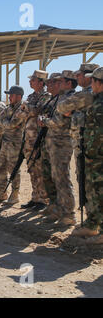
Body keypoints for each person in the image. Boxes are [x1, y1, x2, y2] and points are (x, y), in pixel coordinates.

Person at [71, 67, 103, 244]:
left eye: (93, 81)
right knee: (92, 191)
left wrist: (90, 154)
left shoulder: (100, 104)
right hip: (94, 155)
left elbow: (98, 134)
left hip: (97, 156)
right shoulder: (96, 101)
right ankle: (92, 224)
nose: (91, 84)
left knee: (99, 192)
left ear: (99, 83)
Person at [38, 72, 75, 226]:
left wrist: (44, 121)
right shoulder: (56, 99)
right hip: (52, 143)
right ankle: (56, 207)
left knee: (62, 178)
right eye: (50, 83)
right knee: (52, 177)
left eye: (55, 82)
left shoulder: (68, 98)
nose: (50, 85)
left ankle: (68, 214)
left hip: (62, 143)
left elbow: (59, 122)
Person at [0, 86, 28, 204]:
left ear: (18, 96)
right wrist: (8, 123)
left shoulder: (22, 108)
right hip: (5, 141)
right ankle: (2, 193)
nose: (9, 97)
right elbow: (0, 121)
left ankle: (14, 194)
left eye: (11, 95)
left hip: (15, 143)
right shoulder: (8, 108)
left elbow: (14, 123)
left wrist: (7, 123)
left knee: (13, 169)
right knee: (1, 167)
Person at [22, 70, 51, 211]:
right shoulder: (31, 96)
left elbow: (37, 110)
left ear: (41, 82)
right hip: (28, 138)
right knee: (32, 168)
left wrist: (27, 107)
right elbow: (23, 113)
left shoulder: (46, 96)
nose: (30, 82)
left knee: (40, 169)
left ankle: (43, 199)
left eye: (33, 80)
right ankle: (35, 197)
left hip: (38, 139)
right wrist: (28, 108)